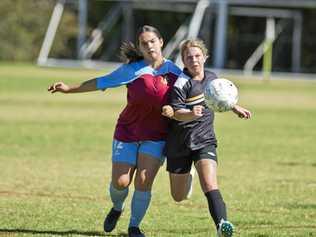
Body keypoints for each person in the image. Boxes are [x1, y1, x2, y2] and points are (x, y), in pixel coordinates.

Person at [48, 25, 181, 237]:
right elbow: (100, 82)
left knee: (144, 182)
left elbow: (192, 95)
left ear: (161, 42)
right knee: (121, 183)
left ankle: (134, 227)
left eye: (152, 41)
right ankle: (117, 207)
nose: (149, 46)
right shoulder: (133, 69)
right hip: (128, 131)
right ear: (140, 47)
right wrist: (69, 88)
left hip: (156, 136)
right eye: (144, 43)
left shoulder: (175, 72)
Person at [162, 39, 251, 237]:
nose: (194, 60)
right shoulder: (181, 83)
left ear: (205, 57)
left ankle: (222, 225)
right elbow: (176, 113)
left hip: (204, 139)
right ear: (184, 61)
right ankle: (189, 176)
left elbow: (220, 98)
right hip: (180, 142)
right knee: (178, 196)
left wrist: (235, 107)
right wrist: (191, 113)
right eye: (189, 57)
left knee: (210, 184)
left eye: (197, 56)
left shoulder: (213, 79)